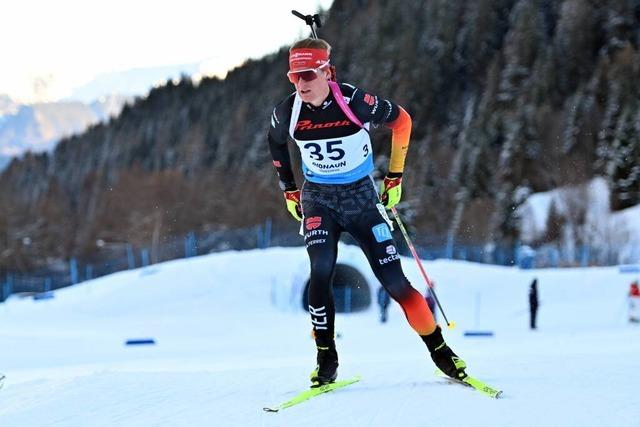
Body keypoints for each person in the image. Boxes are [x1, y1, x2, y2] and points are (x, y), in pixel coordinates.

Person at [267, 37, 467, 387]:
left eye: (309, 75)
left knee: (394, 282)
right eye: (295, 77)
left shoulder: (354, 101)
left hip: (361, 199)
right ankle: (326, 359)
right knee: (321, 270)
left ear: (327, 72)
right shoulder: (287, 111)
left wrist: (395, 175)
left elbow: (402, 122)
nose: (302, 84)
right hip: (319, 200)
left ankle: (440, 351)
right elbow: (275, 142)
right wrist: (289, 188)